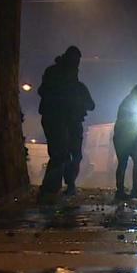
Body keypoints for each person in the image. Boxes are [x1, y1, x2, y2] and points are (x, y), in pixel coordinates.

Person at [37, 46, 85, 204]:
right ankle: (50, 188)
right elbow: (45, 91)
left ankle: (53, 187)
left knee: (62, 153)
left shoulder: (64, 73)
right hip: (55, 117)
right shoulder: (58, 73)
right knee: (60, 153)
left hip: (62, 118)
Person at [113, 83, 137, 201]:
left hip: (123, 137)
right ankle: (133, 190)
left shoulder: (129, 101)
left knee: (124, 163)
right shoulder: (132, 104)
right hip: (126, 138)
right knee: (132, 162)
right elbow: (131, 122)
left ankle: (122, 190)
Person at [63, 78, 94, 196]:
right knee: (72, 155)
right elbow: (91, 105)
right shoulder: (78, 87)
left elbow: (91, 105)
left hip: (67, 123)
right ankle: (69, 183)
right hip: (70, 124)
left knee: (71, 155)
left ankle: (69, 183)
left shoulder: (66, 86)